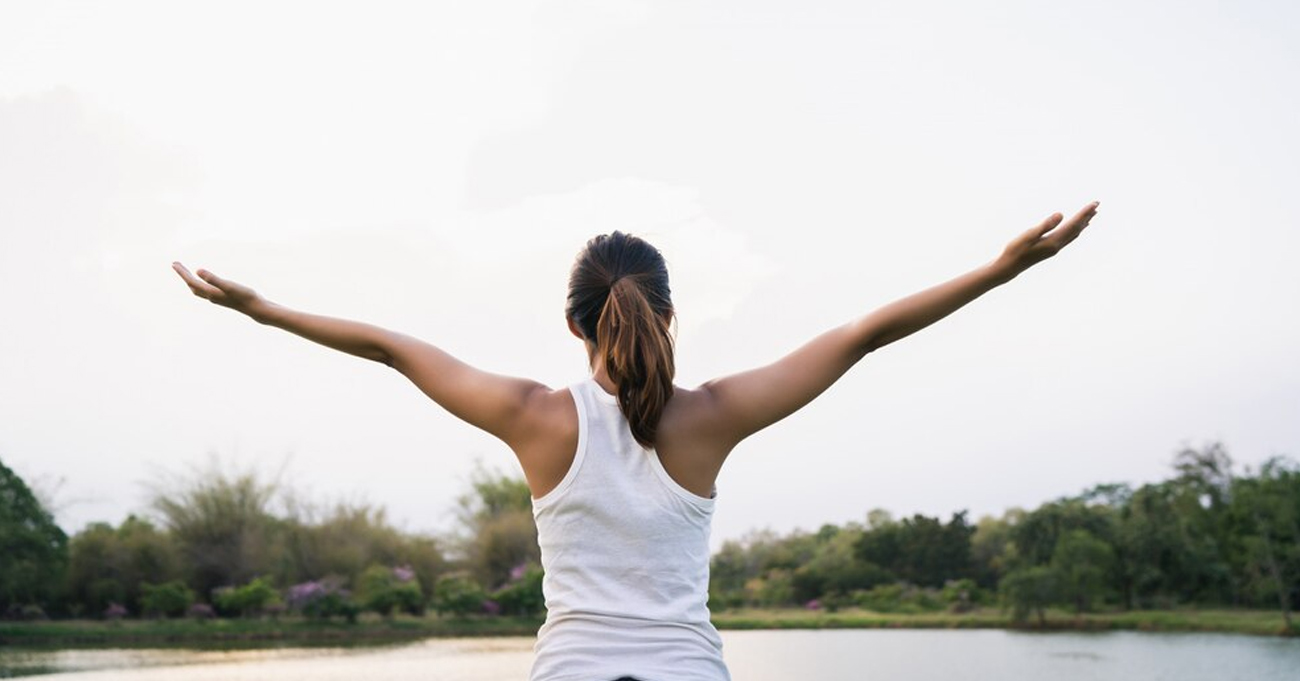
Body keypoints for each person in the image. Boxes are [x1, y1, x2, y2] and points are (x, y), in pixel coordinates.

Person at [172, 200, 1099, 681]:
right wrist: (1002, 269)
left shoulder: (534, 415)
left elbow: (388, 346)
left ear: (575, 323)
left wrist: (262, 310)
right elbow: (861, 335)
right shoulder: (713, 415)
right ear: (668, 313)